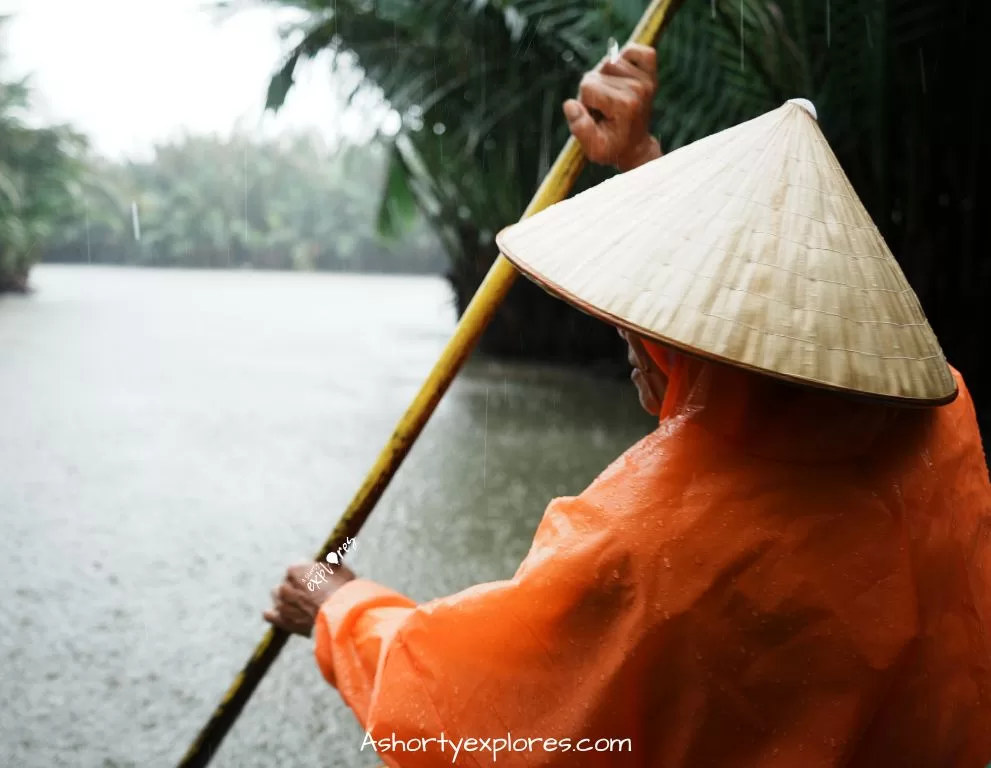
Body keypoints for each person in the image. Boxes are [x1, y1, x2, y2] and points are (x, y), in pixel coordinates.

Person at [265, 44, 991, 766]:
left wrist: (339, 611)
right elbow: (755, 365)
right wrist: (641, 159)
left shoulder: (649, 543)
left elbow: (481, 716)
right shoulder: (943, 418)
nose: (626, 332)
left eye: (641, 320)